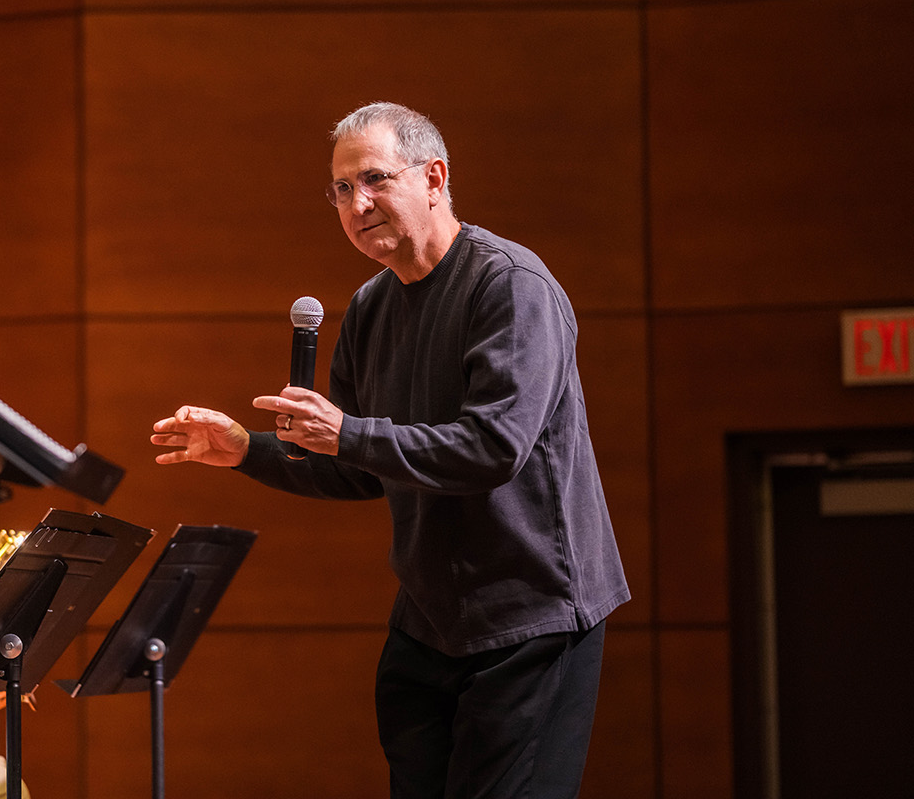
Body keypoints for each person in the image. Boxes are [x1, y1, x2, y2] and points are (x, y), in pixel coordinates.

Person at [151, 103, 630, 799]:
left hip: (531, 618)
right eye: (342, 189)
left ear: (434, 177)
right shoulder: (372, 309)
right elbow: (357, 470)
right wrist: (243, 450)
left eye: (374, 179)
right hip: (430, 623)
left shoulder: (511, 287)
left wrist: (345, 432)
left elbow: (494, 448)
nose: (357, 203)